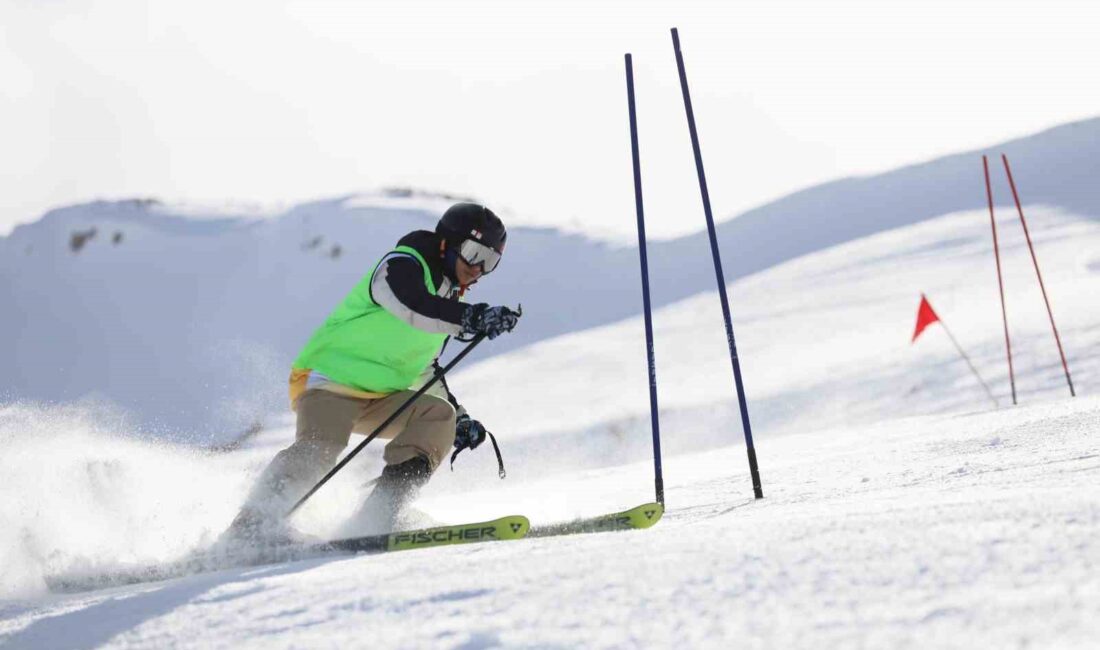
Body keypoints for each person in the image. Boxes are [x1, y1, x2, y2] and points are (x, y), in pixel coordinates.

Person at [225, 202, 520, 543]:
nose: (479, 269)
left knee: (440, 416)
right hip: (328, 382)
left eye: (491, 262)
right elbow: (411, 305)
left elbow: (423, 369)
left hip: (379, 396)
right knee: (322, 447)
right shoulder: (401, 266)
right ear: (447, 244)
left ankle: (379, 515)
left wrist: (462, 419)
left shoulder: (447, 296)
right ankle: (250, 525)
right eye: (474, 254)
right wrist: (470, 316)